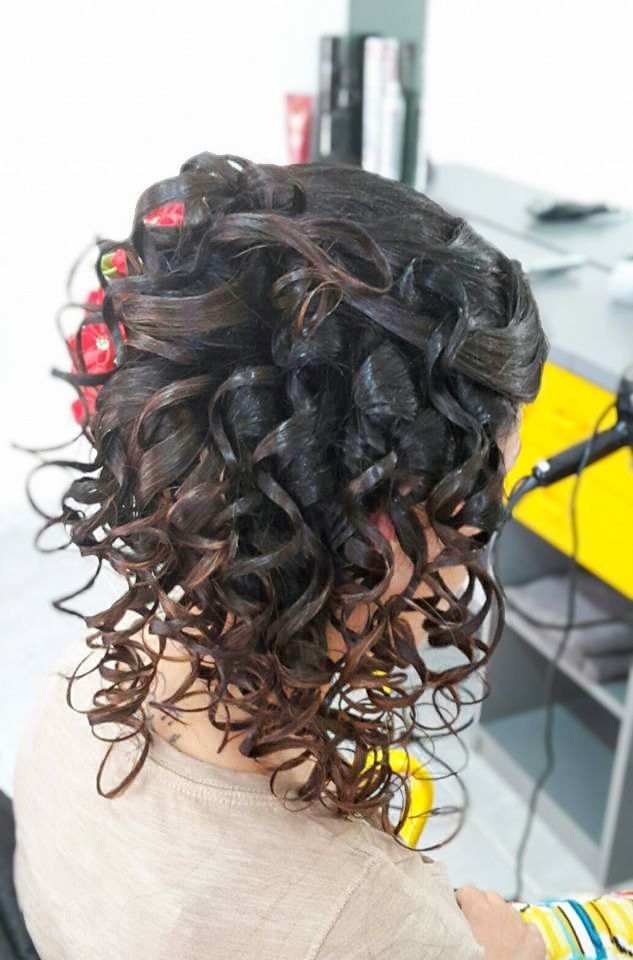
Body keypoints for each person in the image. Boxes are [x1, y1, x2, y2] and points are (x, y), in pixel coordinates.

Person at [12, 152, 549, 959]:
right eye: (478, 508)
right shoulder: (367, 915)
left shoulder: (74, 682)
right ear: (380, 538)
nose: (475, 549)